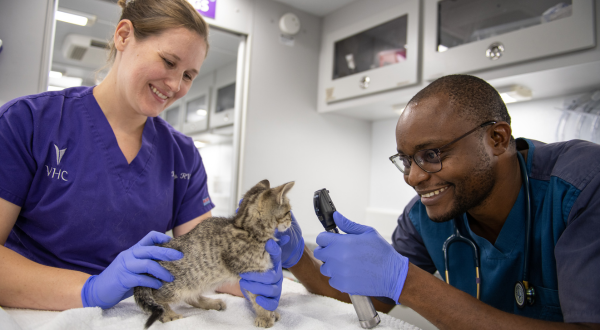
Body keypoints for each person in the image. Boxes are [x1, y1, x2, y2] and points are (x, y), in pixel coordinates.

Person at [0, 0, 281, 312]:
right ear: (123, 36)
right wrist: (90, 290)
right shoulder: (29, 122)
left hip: (133, 313)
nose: (175, 85)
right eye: (168, 62)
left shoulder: (182, 156)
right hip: (31, 312)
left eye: (188, 75)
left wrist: (252, 274)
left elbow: (206, 255)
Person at [272, 75, 600, 329]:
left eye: (431, 154)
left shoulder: (584, 186)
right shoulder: (424, 216)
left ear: (497, 139)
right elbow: (370, 300)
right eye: (406, 160)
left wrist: (407, 282)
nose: (412, 177)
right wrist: (299, 257)